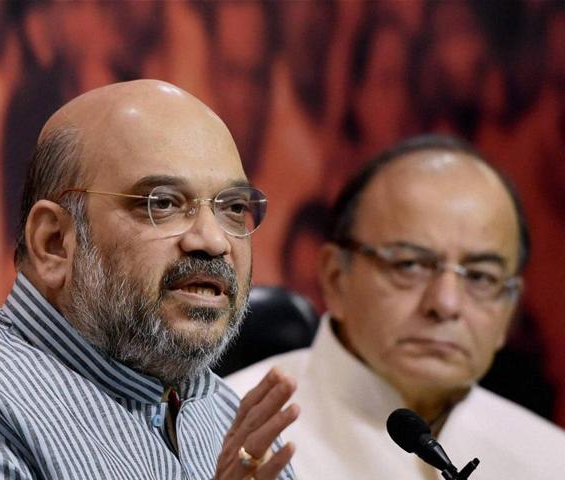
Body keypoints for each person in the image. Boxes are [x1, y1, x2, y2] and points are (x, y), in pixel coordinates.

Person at [0, 79, 299, 480]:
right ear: (54, 242)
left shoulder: (232, 421)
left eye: (234, 207)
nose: (212, 240)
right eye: (163, 203)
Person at [228, 134, 565, 479]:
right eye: (409, 265)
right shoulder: (223, 435)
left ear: (509, 307)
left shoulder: (549, 458)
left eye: (480, 277)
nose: (445, 304)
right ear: (335, 277)